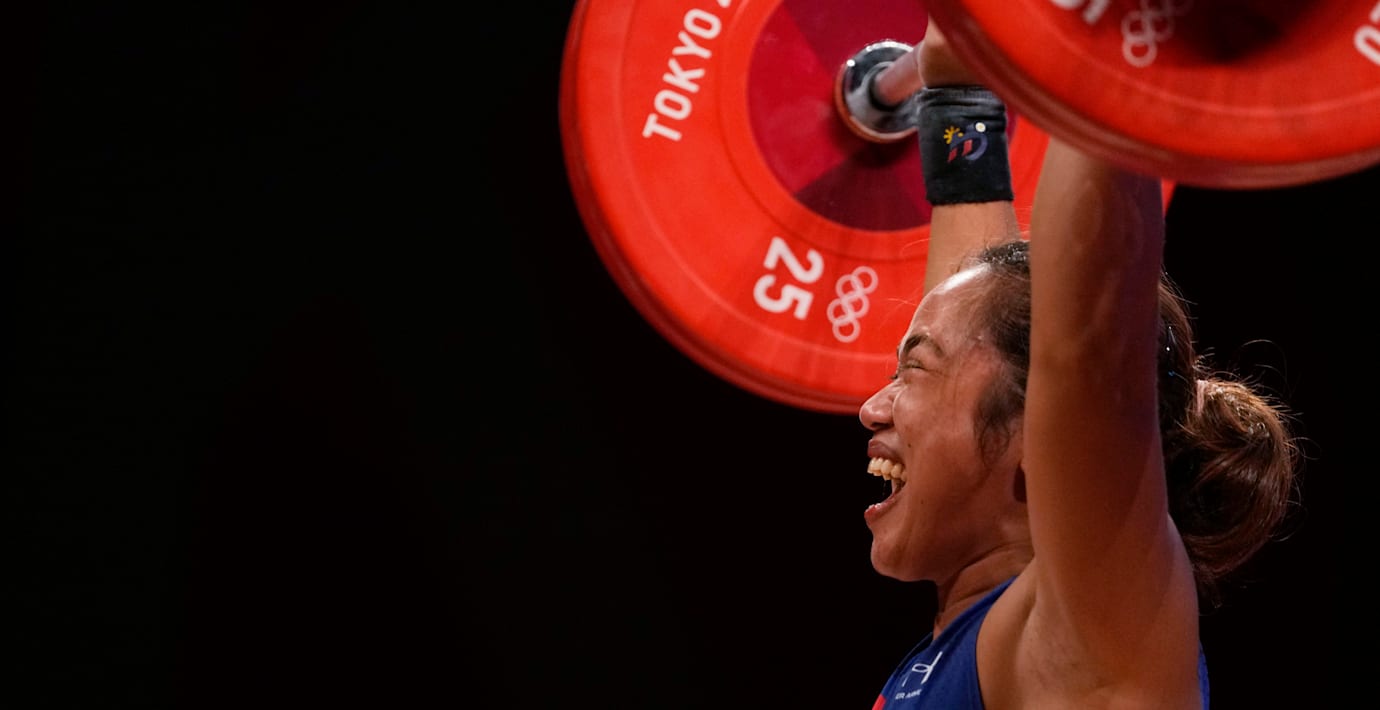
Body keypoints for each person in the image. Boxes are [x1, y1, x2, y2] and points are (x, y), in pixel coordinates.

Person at [857, 17, 1299, 710]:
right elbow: (983, 318)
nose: (870, 408)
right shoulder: (973, 640)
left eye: (911, 373)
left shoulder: (1083, 640)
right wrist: (961, 101)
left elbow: (1085, 351)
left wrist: (1109, 38)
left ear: (1041, 436)